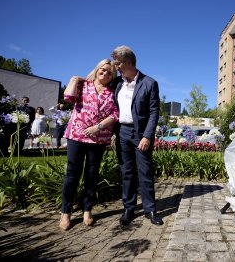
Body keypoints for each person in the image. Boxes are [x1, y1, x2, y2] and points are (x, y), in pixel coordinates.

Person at [59, 59, 119, 231]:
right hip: (77, 136)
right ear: (97, 69)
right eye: (103, 70)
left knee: (91, 175)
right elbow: (68, 97)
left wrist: (98, 127)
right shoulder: (84, 85)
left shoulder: (111, 92)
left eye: (109, 72)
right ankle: (66, 213)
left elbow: (115, 115)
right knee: (72, 174)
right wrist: (74, 79)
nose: (105, 74)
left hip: (98, 139)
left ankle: (87, 210)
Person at [111, 45, 163, 226]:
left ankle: (150, 210)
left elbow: (154, 112)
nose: (115, 66)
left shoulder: (149, 83)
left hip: (141, 133)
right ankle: (129, 208)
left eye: (117, 63)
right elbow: (95, 81)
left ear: (128, 62)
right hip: (122, 132)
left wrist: (147, 136)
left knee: (145, 172)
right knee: (127, 172)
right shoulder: (117, 83)